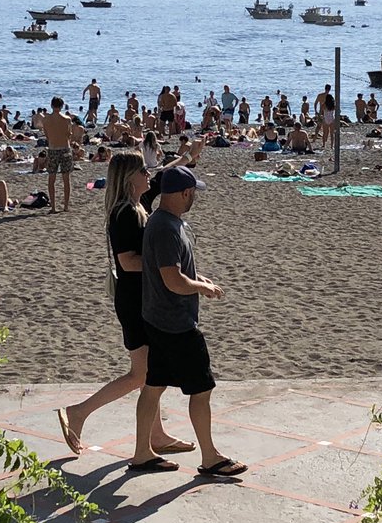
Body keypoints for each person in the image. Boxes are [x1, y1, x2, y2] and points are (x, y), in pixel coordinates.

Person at [57, 151, 193, 459]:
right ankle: (78, 413)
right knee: (141, 374)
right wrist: (166, 268)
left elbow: (160, 180)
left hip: (142, 297)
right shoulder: (124, 213)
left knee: (151, 371)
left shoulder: (139, 204)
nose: (148, 174)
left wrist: (186, 158)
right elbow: (128, 261)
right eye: (142, 170)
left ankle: (156, 436)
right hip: (134, 300)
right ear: (129, 177)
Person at [133, 166, 246, 477]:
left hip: (157, 318)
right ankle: (210, 457)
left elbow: (172, 270)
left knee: (153, 385)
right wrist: (201, 287)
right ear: (183, 193)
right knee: (201, 388)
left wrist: (196, 277)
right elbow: (172, 279)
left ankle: (142, 452)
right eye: (193, 191)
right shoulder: (166, 228)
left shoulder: (164, 222)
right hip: (175, 323)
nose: (194, 196)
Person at [43, 96, 74, 212]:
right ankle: (66, 206)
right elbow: (69, 134)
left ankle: (53, 207)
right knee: (66, 178)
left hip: (53, 149)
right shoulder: (67, 119)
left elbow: (47, 135)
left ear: (51, 105)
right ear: (61, 106)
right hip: (65, 148)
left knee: (52, 178)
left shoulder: (46, 119)